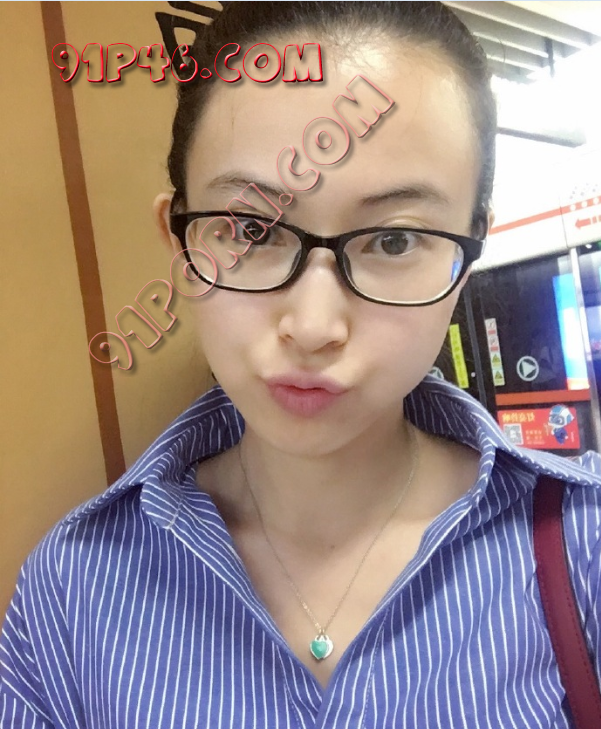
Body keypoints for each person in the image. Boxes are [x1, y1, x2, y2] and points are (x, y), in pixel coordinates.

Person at [2, 2, 601, 727]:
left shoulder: (581, 545)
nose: (314, 327)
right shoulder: (71, 592)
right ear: (179, 244)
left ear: (466, 257)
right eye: (251, 230)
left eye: (393, 240)